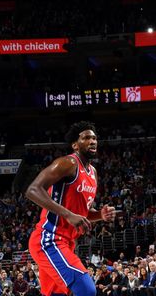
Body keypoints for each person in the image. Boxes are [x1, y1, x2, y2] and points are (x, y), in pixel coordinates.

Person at [25, 121, 115, 296]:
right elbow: (32, 190)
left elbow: (80, 212)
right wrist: (68, 214)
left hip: (67, 242)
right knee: (87, 290)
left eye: (95, 138)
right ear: (75, 144)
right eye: (86, 137)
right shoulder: (68, 163)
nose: (92, 141)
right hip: (49, 239)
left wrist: (99, 215)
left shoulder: (93, 172)